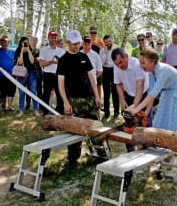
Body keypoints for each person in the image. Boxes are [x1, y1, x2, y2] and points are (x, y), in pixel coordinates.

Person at [57, 30, 103, 163]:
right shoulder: (63, 60)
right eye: (73, 43)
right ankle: (73, 158)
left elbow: (91, 78)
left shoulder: (84, 57)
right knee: (74, 129)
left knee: (96, 127)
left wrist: (97, 96)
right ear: (67, 43)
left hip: (89, 99)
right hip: (73, 101)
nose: (76, 46)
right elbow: (60, 84)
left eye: (78, 43)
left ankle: (100, 154)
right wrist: (66, 102)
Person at [126, 48, 177, 137]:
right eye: (140, 63)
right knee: (163, 120)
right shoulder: (150, 73)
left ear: (152, 61)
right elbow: (150, 93)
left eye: (143, 63)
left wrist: (136, 109)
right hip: (167, 94)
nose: (140, 66)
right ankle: (165, 144)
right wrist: (145, 113)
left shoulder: (164, 70)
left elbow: (153, 94)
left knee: (176, 122)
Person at [112, 47, 150, 151]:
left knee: (144, 124)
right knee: (128, 125)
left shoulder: (137, 64)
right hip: (128, 95)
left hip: (143, 95)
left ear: (126, 57)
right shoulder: (116, 66)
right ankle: (130, 150)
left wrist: (134, 106)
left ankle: (146, 151)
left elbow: (140, 84)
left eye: (121, 62)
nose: (119, 66)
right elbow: (118, 84)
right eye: (117, 64)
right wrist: (122, 100)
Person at [38, 31, 66, 115]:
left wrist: (59, 63)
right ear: (48, 38)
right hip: (47, 74)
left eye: (55, 37)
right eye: (51, 37)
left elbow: (65, 64)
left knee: (60, 94)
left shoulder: (62, 51)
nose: (53, 39)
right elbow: (41, 64)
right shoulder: (43, 50)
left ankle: (60, 112)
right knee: (46, 94)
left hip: (58, 75)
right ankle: (45, 112)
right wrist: (51, 62)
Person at [14, 37, 40, 117]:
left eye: (26, 43)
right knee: (21, 93)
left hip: (31, 73)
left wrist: (28, 50)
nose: (25, 44)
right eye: (24, 43)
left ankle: (36, 110)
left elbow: (32, 62)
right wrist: (22, 51)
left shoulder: (32, 50)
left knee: (33, 92)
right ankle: (21, 110)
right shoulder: (18, 51)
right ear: (21, 43)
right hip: (21, 73)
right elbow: (20, 62)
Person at [99, 34, 119, 119]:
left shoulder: (116, 50)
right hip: (105, 70)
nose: (108, 44)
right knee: (106, 93)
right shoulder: (102, 51)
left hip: (114, 71)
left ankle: (116, 112)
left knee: (115, 92)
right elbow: (101, 62)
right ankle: (106, 112)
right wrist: (106, 52)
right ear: (104, 42)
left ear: (112, 41)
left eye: (110, 41)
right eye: (106, 42)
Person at [0, 35, 16, 111]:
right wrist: (1, 37)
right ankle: (3, 106)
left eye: (5, 41)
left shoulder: (13, 50)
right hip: (2, 75)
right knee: (3, 92)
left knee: (11, 91)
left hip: (12, 75)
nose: (4, 43)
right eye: (2, 42)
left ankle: (10, 107)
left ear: (8, 42)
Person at [25, 36, 41, 110]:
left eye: (36, 41)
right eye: (33, 40)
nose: (34, 42)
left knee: (38, 89)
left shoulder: (38, 51)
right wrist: (35, 59)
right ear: (30, 41)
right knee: (29, 89)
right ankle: (28, 104)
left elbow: (40, 60)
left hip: (37, 72)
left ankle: (40, 105)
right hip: (28, 72)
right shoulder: (27, 50)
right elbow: (28, 61)